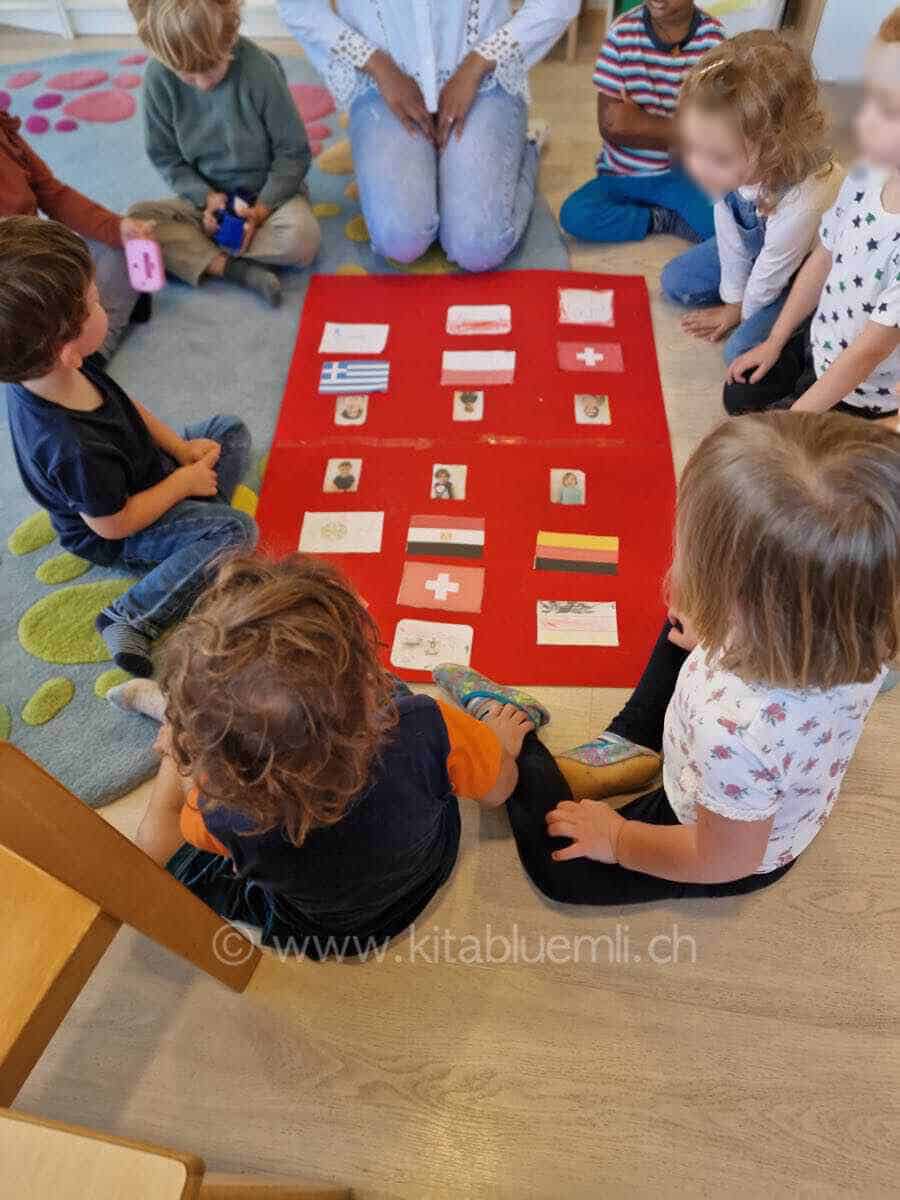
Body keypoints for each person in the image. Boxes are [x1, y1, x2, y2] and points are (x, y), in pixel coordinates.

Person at [435, 413, 899, 903]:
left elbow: (723, 858)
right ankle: (631, 746)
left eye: (688, 553)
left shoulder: (735, 730)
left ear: (747, 607)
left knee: (560, 869)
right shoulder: (864, 632)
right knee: (682, 623)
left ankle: (512, 732)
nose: (675, 564)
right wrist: (714, 629)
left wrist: (616, 839)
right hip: (728, 735)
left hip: (708, 833)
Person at [121, 553, 531, 959]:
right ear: (369, 685)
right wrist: (497, 745)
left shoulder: (222, 813)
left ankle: (174, 733)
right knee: (404, 702)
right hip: (422, 874)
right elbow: (500, 791)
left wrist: (187, 761)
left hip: (322, 928)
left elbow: (191, 826)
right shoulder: (428, 725)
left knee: (161, 850)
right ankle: (187, 729)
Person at [0, 217, 257, 677]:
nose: (104, 303)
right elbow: (113, 525)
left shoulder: (53, 370)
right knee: (235, 531)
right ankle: (131, 615)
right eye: (95, 301)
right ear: (66, 349)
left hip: (145, 470)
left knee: (228, 431)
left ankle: (196, 538)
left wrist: (180, 450)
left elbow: (127, 406)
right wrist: (182, 484)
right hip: (121, 525)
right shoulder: (71, 447)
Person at [277, 0, 579, 271]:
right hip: (383, 85)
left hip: (483, 78)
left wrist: (478, 63)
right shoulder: (380, 72)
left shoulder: (480, 67)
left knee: (478, 246)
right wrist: (378, 65)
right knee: (399, 240)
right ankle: (436, 165)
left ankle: (526, 146)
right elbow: (299, 8)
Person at [724, 9, 900, 418]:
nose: (862, 117)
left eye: (887, 107)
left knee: (801, 462)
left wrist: (796, 422)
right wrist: (775, 341)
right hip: (817, 342)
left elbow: (867, 353)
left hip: (860, 391)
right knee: (739, 395)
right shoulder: (866, 172)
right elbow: (823, 255)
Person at [662, 31, 843, 366]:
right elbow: (729, 233)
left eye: (717, 157)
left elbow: (770, 275)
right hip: (765, 246)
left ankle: (807, 318)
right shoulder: (731, 164)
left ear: (775, 147)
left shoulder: (805, 199)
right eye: (694, 148)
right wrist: (732, 298)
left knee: (739, 350)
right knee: (676, 282)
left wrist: (739, 312)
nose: (698, 168)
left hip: (801, 265)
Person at [127, 0, 320, 308]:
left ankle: (205, 255)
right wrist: (206, 198)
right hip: (204, 202)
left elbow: (293, 153)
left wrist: (259, 211)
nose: (202, 85)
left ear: (230, 35)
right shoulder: (157, 78)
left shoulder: (259, 70)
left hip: (268, 198)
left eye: (212, 69)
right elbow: (165, 157)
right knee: (136, 221)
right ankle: (234, 269)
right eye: (188, 77)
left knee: (303, 239)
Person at [559, 1, 724, 246]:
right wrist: (681, 130)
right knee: (574, 215)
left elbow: (711, 131)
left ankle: (670, 215)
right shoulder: (621, 33)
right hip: (620, 175)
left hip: (679, 176)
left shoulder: (713, 40)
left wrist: (639, 122)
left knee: (722, 228)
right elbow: (613, 127)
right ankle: (658, 219)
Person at [0, 110, 153, 363]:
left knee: (125, 245)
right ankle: (93, 350)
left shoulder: (4, 131)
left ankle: (96, 330)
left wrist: (117, 227)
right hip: (18, 284)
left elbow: (52, 193)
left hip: (39, 257)